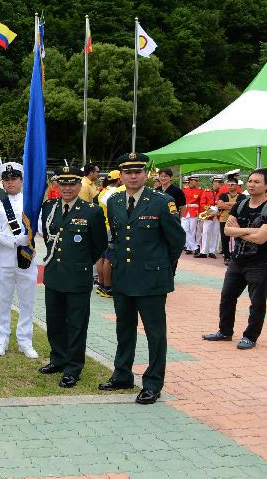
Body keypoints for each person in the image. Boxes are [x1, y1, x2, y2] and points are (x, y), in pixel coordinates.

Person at [99, 152, 185, 405]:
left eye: (138, 171)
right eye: (128, 172)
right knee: (124, 329)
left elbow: (176, 240)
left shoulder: (161, 201)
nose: (133, 176)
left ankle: (153, 383)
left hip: (151, 279)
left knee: (155, 334)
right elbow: (117, 237)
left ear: (146, 174)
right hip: (123, 277)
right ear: (122, 175)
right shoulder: (114, 201)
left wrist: (164, 269)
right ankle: (122, 374)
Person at [39, 166, 107, 387]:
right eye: (63, 184)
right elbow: (49, 238)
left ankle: (73, 368)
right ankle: (57, 359)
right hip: (54, 274)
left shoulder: (91, 211)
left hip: (77, 276)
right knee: (55, 321)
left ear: (79, 186)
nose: (67, 188)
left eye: (72, 184)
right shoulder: (49, 207)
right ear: (57, 186)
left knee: (76, 323)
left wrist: (81, 264)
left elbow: (99, 246)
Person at [202, 169, 267, 350]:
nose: (251, 185)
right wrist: (251, 231)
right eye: (250, 181)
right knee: (227, 296)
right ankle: (225, 331)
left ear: (266, 186)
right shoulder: (241, 204)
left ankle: (250, 336)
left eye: (257, 182)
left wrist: (239, 231)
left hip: (260, 263)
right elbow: (227, 231)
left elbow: (261, 239)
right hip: (237, 260)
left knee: (257, 303)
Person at [0, 162, 38, 358]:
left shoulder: (31, 205)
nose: (10, 183)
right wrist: (14, 240)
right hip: (6, 259)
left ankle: (25, 342)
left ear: (21, 180)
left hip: (27, 258)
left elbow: (40, 228)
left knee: (27, 302)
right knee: (3, 301)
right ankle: (1, 341)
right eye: (6, 180)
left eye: (14, 179)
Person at [94, 170, 123, 298]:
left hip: (103, 226)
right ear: (119, 180)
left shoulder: (103, 192)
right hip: (110, 227)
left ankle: (101, 285)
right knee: (109, 258)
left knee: (102, 257)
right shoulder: (116, 191)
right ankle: (108, 287)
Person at [196, 176, 223, 259]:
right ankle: (203, 252)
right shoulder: (206, 192)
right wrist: (210, 209)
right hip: (209, 216)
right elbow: (202, 203)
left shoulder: (222, 193)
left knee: (215, 234)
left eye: (220, 182)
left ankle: (212, 251)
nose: (219, 184)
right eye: (218, 182)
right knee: (206, 233)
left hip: (218, 216)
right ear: (213, 183)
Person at [218, 175, 242, 265]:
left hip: (236, 220)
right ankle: (226, 257)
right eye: (229, 184)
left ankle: (236, 255)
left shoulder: (241, 196)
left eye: (232, 184)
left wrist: (226, 204)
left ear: (236, 185)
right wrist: (234, 205)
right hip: (224, 219)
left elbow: (240, 205)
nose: (230, 186)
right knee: (224, 239)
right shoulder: (223, 195)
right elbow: (219, 205)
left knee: (237, 238)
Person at [181, 175, 203, 254]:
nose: (197, 182)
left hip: (194, 211)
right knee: (184, 229)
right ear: (190, 181)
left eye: (197, 181)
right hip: (185, 211)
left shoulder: (200, 191)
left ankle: (189, 248)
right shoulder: (184, 190)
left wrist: (201, 214)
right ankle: (194, 247)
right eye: (195, 181)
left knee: (193, 231)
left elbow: (201, 203)